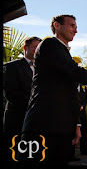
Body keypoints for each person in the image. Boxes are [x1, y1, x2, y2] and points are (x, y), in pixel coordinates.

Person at [19, 14, 87, 168]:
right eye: (71, 25)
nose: (75, 30)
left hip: (60, 127)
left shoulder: (62, 51)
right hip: (43, 125)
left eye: (76, 27)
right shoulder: (49, 44)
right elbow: (76, 72)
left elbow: (72, 93)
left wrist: (76, 125)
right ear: (57, 26)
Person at [3, 36, 42, 168]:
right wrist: (34, 106)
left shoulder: (43, 70)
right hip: (17, 118)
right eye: (35, 47)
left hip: (36, 122)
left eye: (39, 48)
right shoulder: (11, 67)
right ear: (26, 48)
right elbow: (11, 94)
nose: (38, 50)